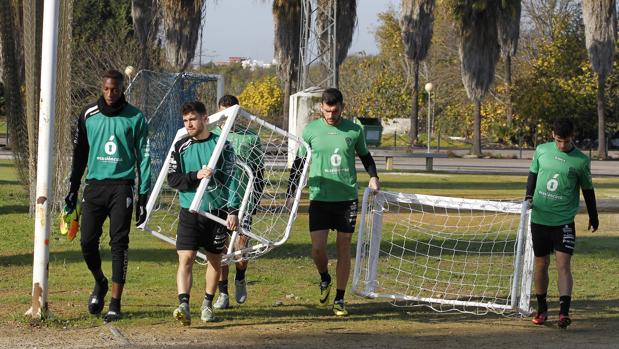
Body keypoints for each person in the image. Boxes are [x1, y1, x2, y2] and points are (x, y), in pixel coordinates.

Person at [64, 69, 151, 323]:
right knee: (87, 241)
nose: (110, 94)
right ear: (101, 88)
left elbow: (144, 158)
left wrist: (143, 195)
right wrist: (72, 188)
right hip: (94, 186)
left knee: (119, 243)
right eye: (106, 89)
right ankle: (100, 282)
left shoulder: (135, 117)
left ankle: (115, 302)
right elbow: (79, 154)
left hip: (122, 187)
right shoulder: (88, 114)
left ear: (122, 88)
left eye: (115, 89)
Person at [287, 88, 380, 316]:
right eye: (327, 111)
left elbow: (366, 157)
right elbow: (299, 164)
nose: (330, 115)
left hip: (346, 199)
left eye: (335, 111)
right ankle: (324, 278)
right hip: (319, 198)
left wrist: (374, 177)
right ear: (321, 108)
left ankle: (339, 299)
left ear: (342, 107)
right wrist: (291, 194)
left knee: (343, 247)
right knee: (317, 249)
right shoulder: (310, 130)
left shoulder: (354, 129)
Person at [168, 101, 239, 325]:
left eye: (193, 119)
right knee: (186, 257)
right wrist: (194, 176)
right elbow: (173, 179)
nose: (189, 124)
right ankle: (183, 304)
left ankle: (207, 305)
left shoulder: (223, 146)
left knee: (215, 259)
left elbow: (232, 180)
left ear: (205, 119)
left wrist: (233, 211)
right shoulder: (180, 146)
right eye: (185, 121)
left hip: (216, 212)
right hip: (190, 211)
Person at [525, 117, 599, 329]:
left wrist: (594, 216)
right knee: (541, 264)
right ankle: (542, 309)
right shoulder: (541, 150)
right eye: (559, 141)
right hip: (539, 219)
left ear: (572, 137)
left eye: (566, 141)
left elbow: (588, 190)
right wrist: (528, 197)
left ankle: (564, 313)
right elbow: (532, 175)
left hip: (563, 222)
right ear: (553, 136)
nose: (562, 145)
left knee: (563, 265)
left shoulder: (581, 161)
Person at [211, 95, 265, 309]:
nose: (228, 119)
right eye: (224, 114)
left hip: (243, 202)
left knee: (241, 249)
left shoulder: (250, 138)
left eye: (232, 113)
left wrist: (256, 199)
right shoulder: (211, 135)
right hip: (218, 200)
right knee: (221, 249)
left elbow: (259, 172)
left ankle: (240, 277)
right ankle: (222, 294)